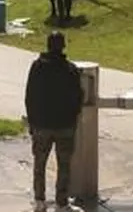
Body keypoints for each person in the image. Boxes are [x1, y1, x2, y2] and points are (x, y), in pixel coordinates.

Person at [24, 31, 83, 212]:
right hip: (65, 125)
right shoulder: (71, 69)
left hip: (41, 125)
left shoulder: (37, 67)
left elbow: (29, 96)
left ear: (47, 45)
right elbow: (78, 97)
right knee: (64, 165)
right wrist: (73, 118)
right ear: (63, 46)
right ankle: (61, 202)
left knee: (39, 164)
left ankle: (40, 201)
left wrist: (32, 122)